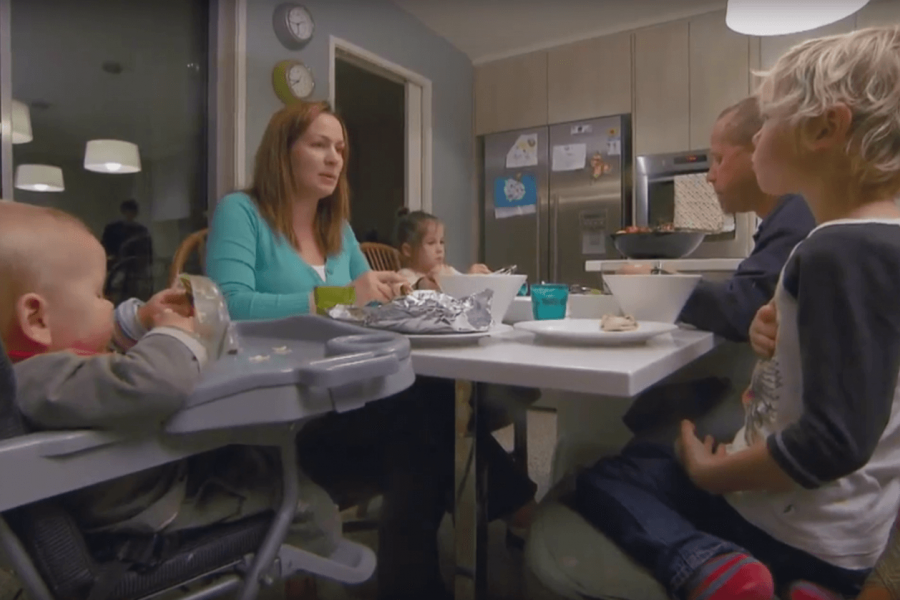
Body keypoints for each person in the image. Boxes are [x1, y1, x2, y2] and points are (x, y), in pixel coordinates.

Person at [575, 25, 900, 600]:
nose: (758, 135)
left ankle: (710, 567)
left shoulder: (839, 249)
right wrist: (779, 323)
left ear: (826, 128)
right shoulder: (871, 241)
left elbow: (831, 444)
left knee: (606, 478)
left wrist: (710, 471)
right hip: (852, 534)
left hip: (793, 527)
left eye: (769, 119)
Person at [205, 100, 535, 600]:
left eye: (340, 148)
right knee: (425, 421)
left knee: (423, 417)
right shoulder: (242, 211)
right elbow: (225, 306)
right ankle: (513, 510)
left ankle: (422, 579)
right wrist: (334, 297)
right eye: (319, 144)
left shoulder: (337, 229)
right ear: (282, 150)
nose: (335, 158)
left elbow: (368, 299)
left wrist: (401, 289)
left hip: (348, 396)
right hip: (279, 415)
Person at [0, 203, 342, 595]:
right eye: (98, 294)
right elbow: (152, 382)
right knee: (302, 497)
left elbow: (99, 375)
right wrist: (179, 335)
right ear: (37, 319)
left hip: (139, 490)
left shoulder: (36, 374)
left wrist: (143, 321)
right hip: (154, 508)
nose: (109, 303)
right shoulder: (37, 379)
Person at [621, 97, 816, 342]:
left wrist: (659, 283)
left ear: (761, 151)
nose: (710, 177)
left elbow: (742, 308)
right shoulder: (786, 216)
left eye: (720, 159)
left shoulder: (797, 218)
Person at [394, 208, 490, 289]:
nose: (439, 249)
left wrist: (472, 277)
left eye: (441, 242)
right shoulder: (405, 275)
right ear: (408, 250)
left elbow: (463, 287)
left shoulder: (447, 271)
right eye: (431, 243)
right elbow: (410, 290)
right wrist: (426, 284)